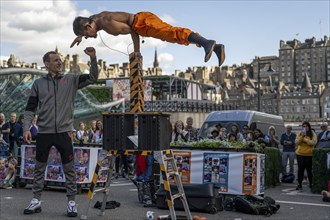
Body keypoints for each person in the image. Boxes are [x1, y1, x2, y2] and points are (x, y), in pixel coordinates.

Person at [22, 47, 99, 217]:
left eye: (60, 59)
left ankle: (71, 202)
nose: (59, 62)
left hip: (64, 132)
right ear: (47, 64)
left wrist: (93, 58)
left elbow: (93, 77)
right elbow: (30, 109)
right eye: (55, 60)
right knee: (39, 168)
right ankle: (36, 200)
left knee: (69, 169)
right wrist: (26, 128)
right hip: (44, 132)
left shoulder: (71, 79)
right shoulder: (38, 84)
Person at [70, 11, 225, 66]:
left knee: (174, 34)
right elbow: (87, 20)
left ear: (89, 27)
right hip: (143, 19)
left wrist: (137, 51)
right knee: (173, 34)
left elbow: (133, 30)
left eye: (86, 35)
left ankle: (207, 43)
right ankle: (215, 48)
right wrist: (80, 36)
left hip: (142, 24)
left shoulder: (107, 24)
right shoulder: (96, 18)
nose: (88, 38)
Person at [295, 121, 317, 191]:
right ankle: (299, 184)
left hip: (309, 154)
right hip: (300, 154)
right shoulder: (300, 134)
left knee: (309, 170)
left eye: (306, 126)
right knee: (300, 170)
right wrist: (302, 136)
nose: (305, 127)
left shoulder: (312, 133)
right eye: (303, 126)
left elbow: (313, 142)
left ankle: (311, 184)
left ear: (309, 127)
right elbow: (297, 142)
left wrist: (305, 139)